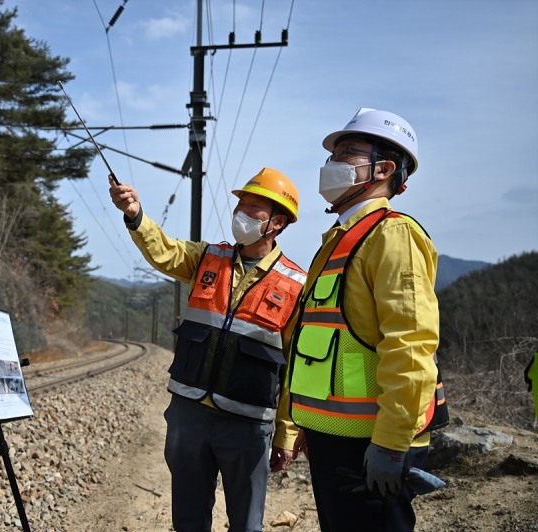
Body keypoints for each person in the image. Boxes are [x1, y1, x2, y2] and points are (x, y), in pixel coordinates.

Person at [272, 108, 447, 531]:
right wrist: (296, 424)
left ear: (383, 168)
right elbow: (307, 344)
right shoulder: (340, 239)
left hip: (371, 442)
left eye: (346, 153)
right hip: (335, 437)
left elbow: (409, 346)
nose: (331, 164)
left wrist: (389, 444)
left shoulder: (392, 236)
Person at [109, 168, 306, 531]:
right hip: (189, 415)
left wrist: (286, 431)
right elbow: (164, 251)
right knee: (188, 520)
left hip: (248, 426)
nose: (240, 214)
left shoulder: (296, 285)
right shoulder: (208, 258)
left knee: (246, 524)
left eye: (253, 209)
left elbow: (296, 368)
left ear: (277, 223)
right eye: (240, 205)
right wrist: (135, 215)